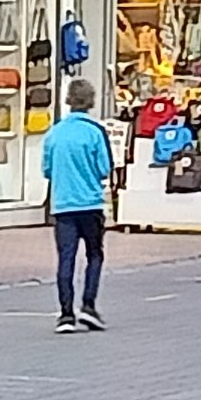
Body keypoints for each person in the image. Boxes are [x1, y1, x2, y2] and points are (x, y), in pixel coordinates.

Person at [41, 75, 115, 333]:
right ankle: (88, 305)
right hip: (90, 203)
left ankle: (65, 314)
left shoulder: (54, 133)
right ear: (91, 101)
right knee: (94, 254)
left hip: (63, 205)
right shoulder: (95, 132)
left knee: (66, 258)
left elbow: (47, 170)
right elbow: (104, 168)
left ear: (69, 100)